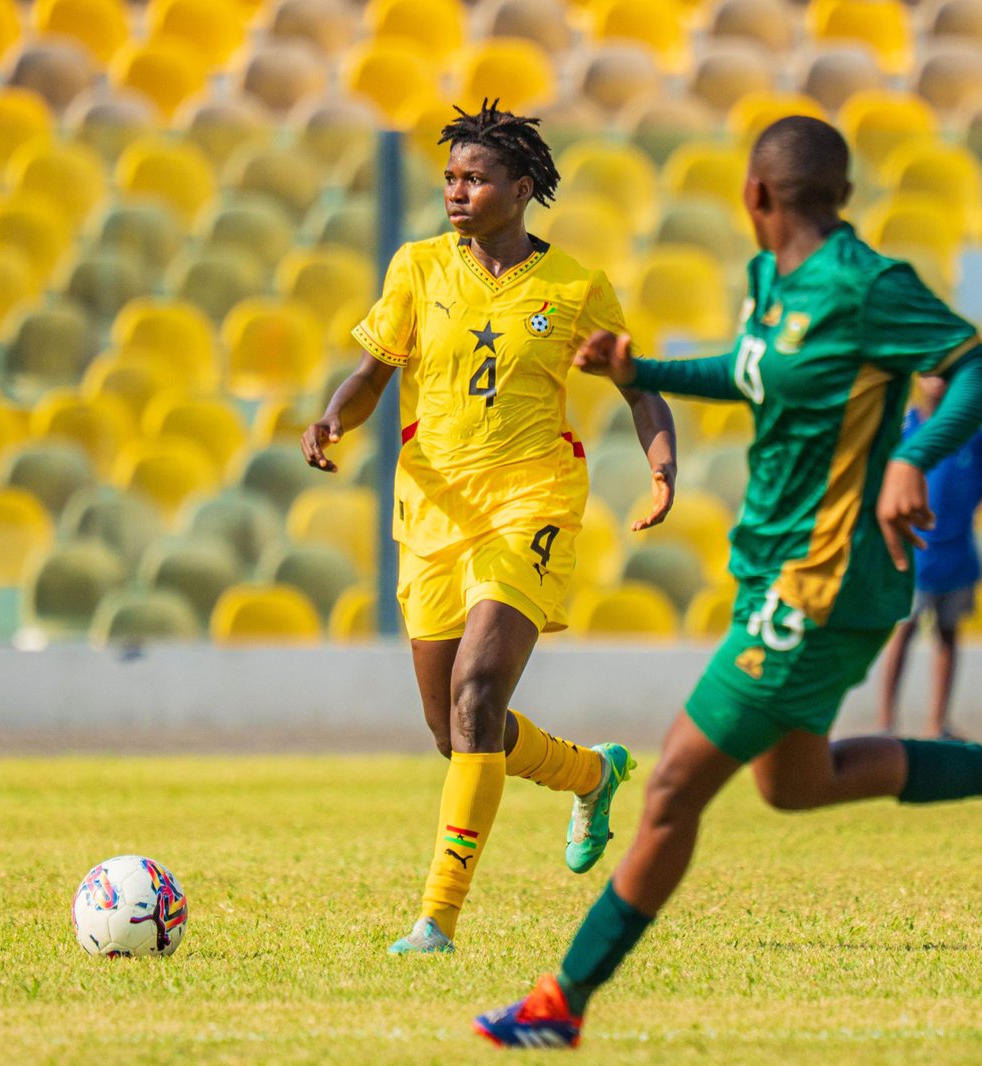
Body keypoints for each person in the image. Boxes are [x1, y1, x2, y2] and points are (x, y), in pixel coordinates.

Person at [472, 116, 982, 1049]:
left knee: (674, 784)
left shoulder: (869, 288)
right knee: (797, 783)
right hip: (773, 569)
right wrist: (649, 371)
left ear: (755, 196)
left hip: (825, 580)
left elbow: (979, 372)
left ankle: (561, 1005)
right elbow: (753, 372)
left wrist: (912, 456)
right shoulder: (772, 281)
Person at [300, 101, 679, 955]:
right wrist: (331, 420)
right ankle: (591, 772)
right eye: (450, 178)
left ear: (523, 187)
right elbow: (371, 374)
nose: (457, 192)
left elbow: (638, 387)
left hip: (532, 502)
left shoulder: (574, 286)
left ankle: (436, 919)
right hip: (432, 512)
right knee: (455, 733)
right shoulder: (416, 268)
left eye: (474, 179)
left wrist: (662, 470)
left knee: (478, 693)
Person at [877, 375, 982, 739]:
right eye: (930, 373)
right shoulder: (903, 428)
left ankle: (937, 723)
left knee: (947, 635)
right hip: (914, 557)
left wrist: (975, 501)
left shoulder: (970, 431)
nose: (937, 381)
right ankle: (886, 723)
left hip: (957, 554)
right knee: (902, 632)